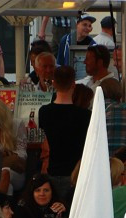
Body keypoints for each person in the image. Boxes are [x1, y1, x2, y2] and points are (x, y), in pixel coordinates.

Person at [37, 66, 90, 203]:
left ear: (54, 83)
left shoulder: (44, 112)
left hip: (53, 169)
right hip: (76, 173)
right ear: (73, 84)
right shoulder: (84, 115)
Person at [55, 14, 96, 78]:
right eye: (84, 25)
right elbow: (60, 62)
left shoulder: (93, 45)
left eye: (90, 26)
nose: (88, 28)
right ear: (76, 24)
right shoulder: (65, 40)